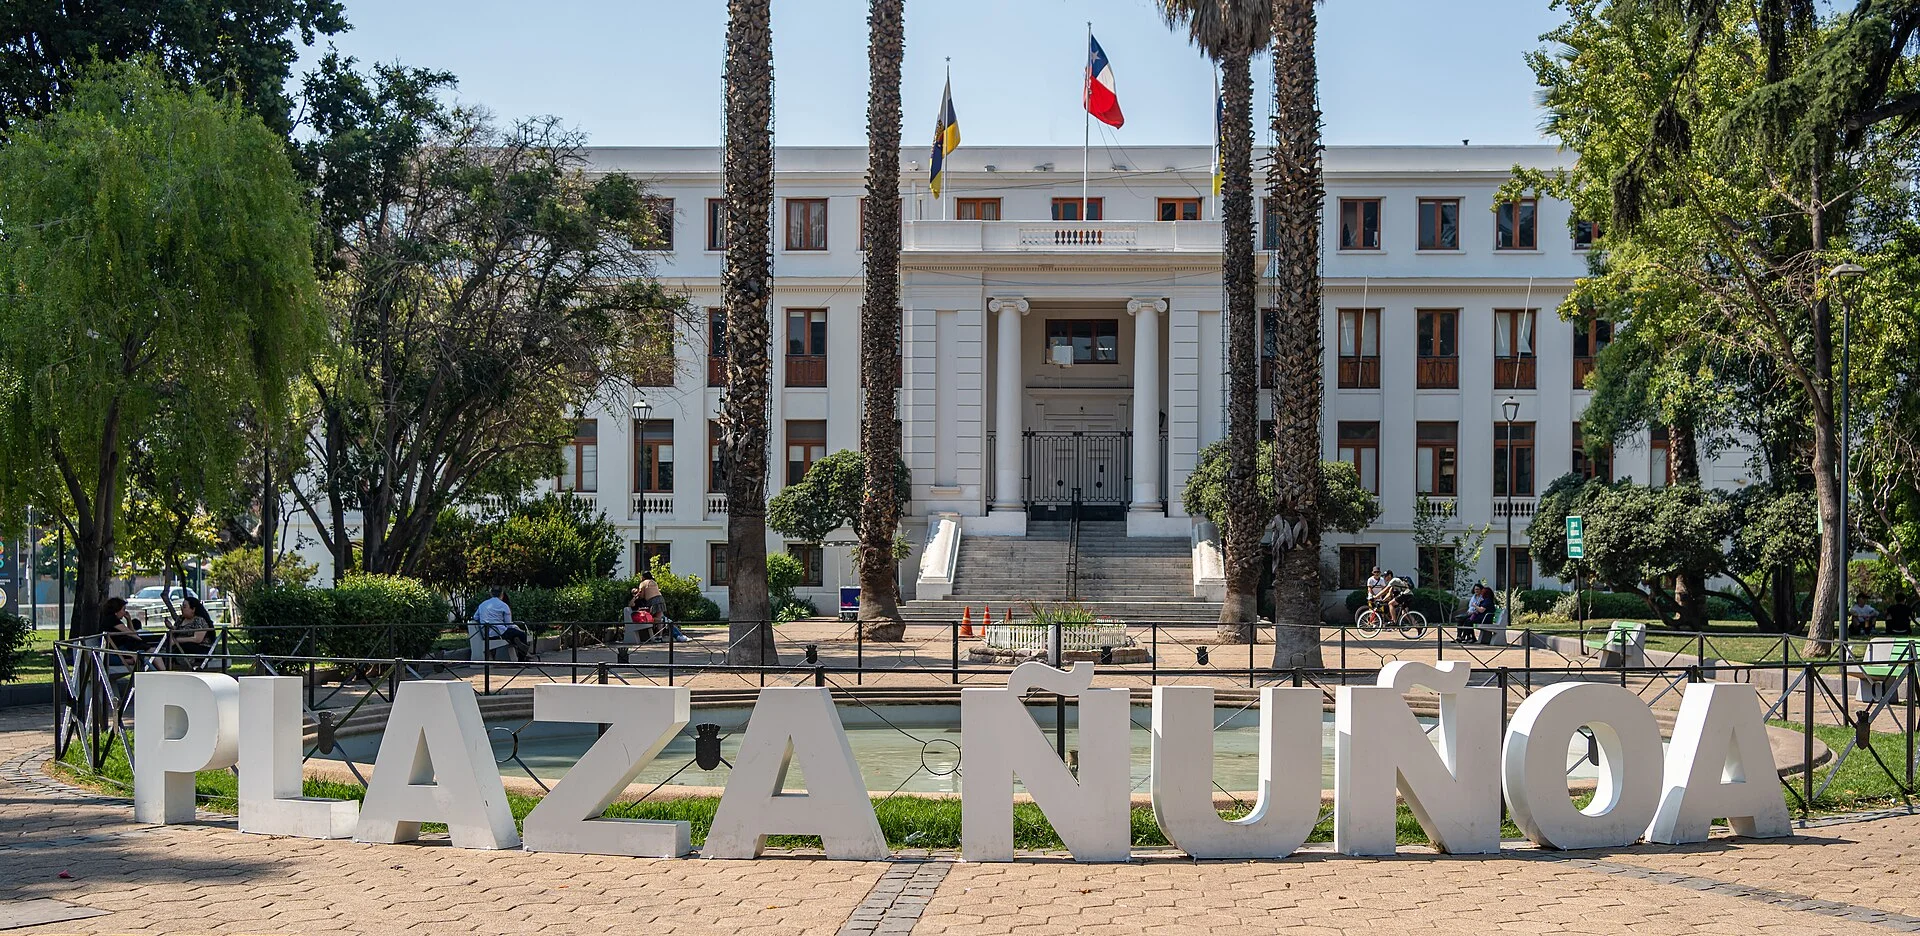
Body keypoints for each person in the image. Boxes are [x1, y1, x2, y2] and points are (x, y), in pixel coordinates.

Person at [474, 586, 533, 662]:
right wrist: (516, 627)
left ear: (491, 594)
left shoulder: (482, 605)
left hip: (486, 632)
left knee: (513, 634)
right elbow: (508, 624)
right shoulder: (504, 606)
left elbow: (475, 617)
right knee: (521, 634)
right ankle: (522, 659)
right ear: (502, 594)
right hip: (500, 632)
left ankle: (516, 642)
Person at [636, 572, 688, 642]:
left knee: (656, 619)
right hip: (660, 599)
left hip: (652, 600)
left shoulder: (643, 583)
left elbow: (641, 595)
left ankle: (663, 628)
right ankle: (660, 637)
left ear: (643, 577)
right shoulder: (654, 582)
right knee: (660, 619)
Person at [168, 595, 217, 665]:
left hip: (199, 649)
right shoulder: (180, 619)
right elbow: (178, 630)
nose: (182, 609)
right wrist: (171, 628)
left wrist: (177, 640)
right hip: (181, 647)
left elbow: (197, 639)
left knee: (179, 647)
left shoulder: (199, 620)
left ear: (193, 609)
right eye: (181, 606)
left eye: (184, 607)